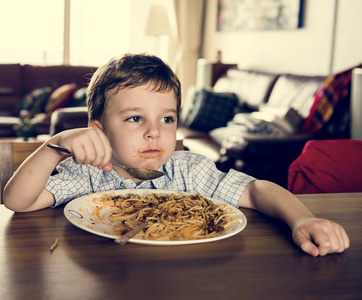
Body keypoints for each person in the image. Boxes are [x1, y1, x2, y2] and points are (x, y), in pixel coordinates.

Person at [3, 53, 349, 257]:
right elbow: (17, 201)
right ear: (98, 129)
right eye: (135, 118)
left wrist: (301, 219)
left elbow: (258, 190)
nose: (154, 132)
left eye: (167, 119)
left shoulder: (189, 170)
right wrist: (54, 147)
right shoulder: (87, 174)